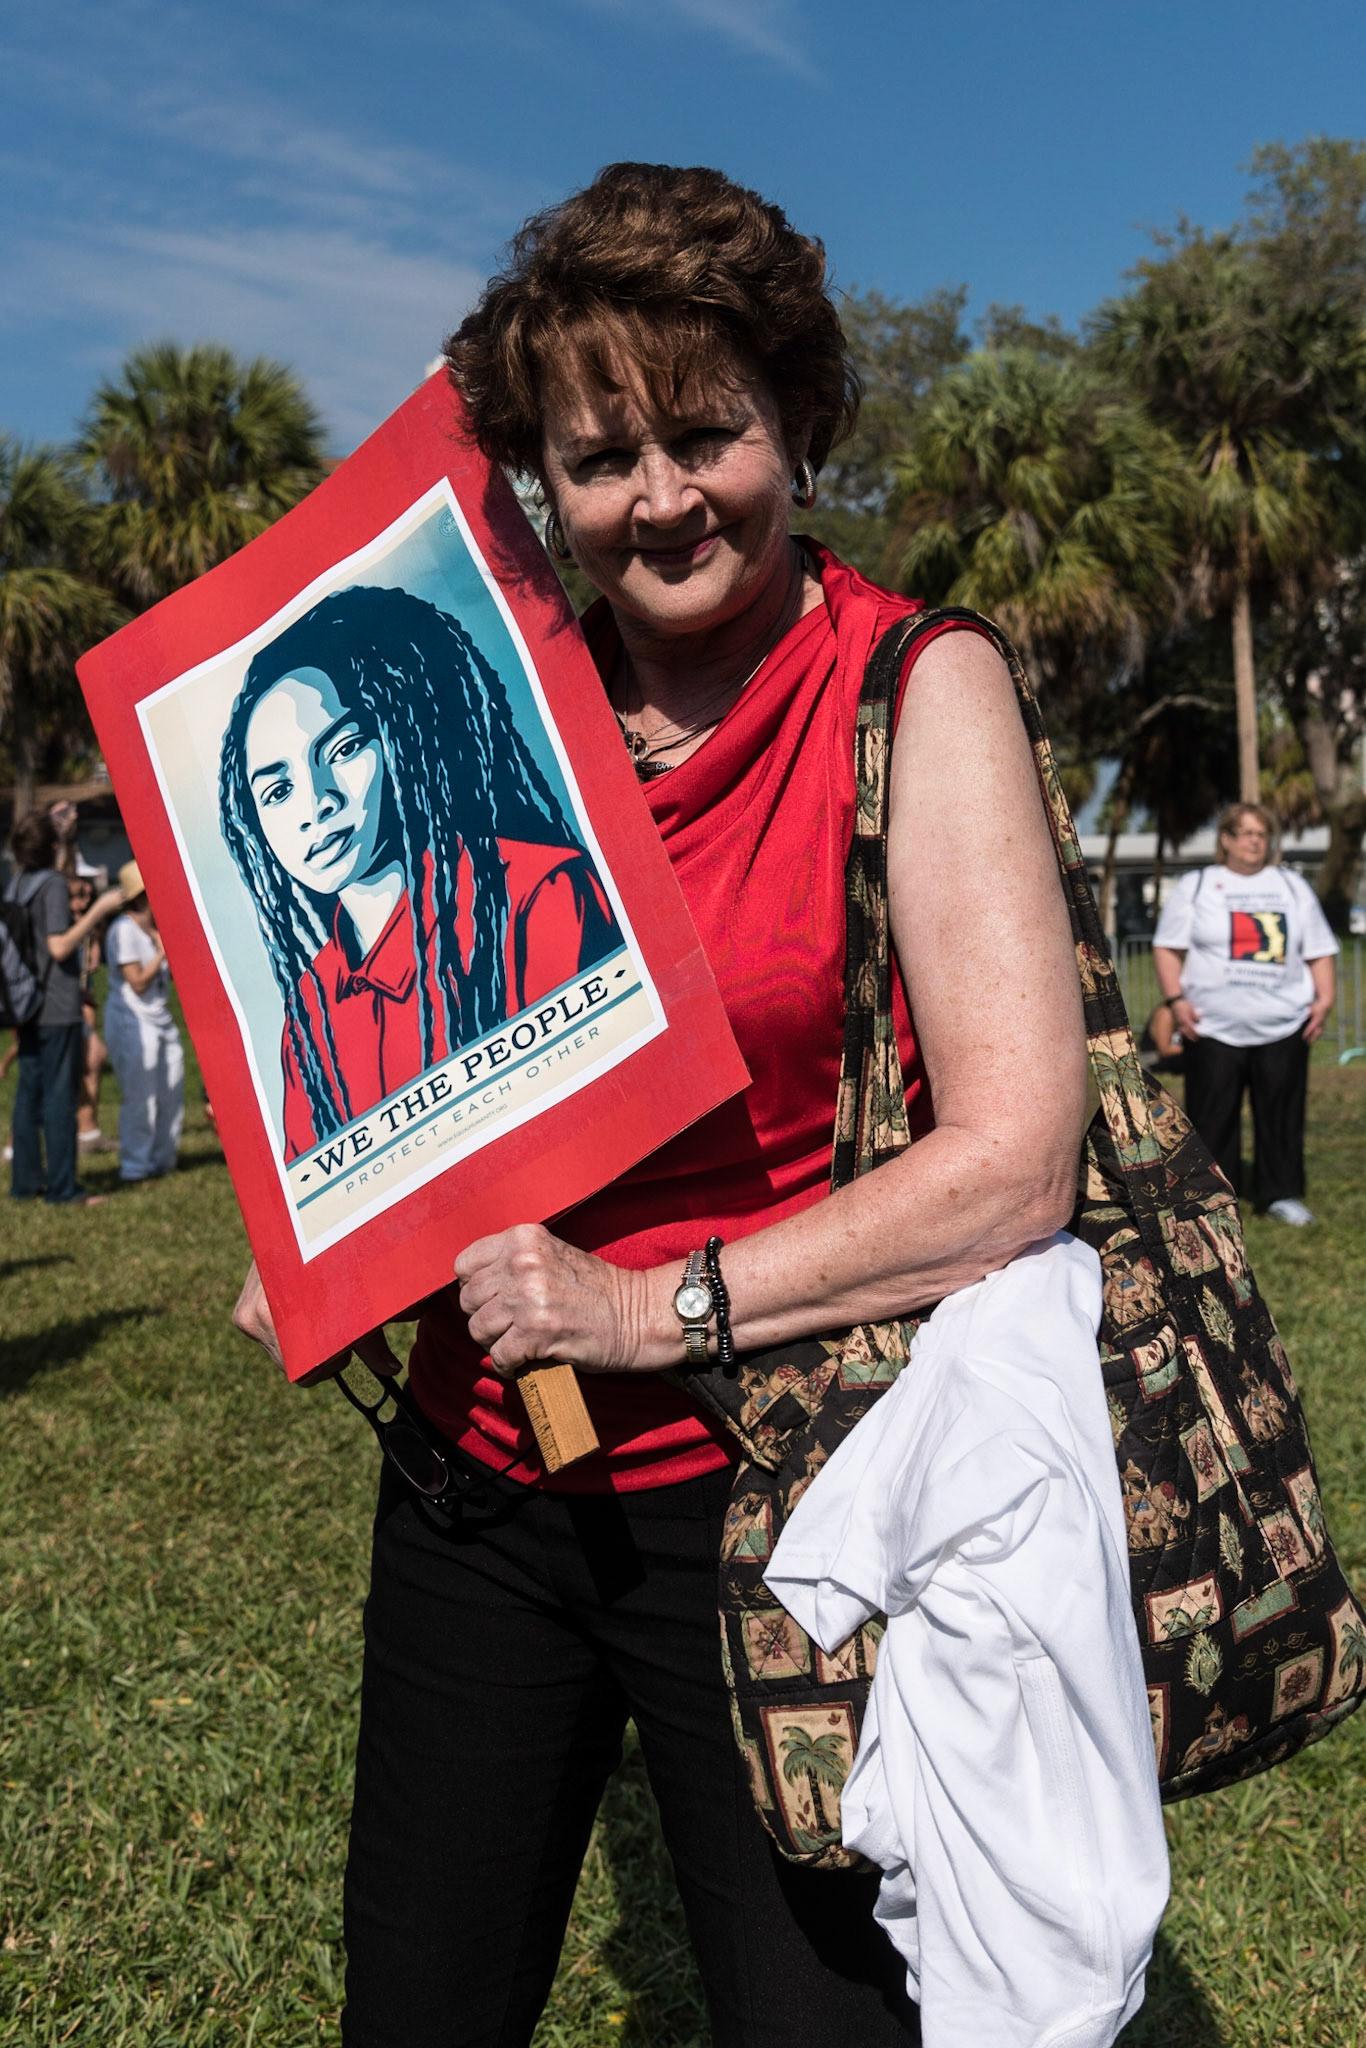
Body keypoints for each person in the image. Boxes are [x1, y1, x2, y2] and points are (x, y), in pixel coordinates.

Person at [233, 163, 1088, 2047]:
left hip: (784, 1494)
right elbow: (386, 1011)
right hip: (477, 1483)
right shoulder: (487, 709)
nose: (662, 497)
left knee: (821, 2023)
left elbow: (1019, 1159)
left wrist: (645, 1306)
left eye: (707, 432)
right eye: (602, 454)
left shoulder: (910, 687)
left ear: (797, 420)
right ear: (542, 479)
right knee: (419, 2004)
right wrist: (330, 1223)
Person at [218, 586, 619, 1162]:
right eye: (278, 791)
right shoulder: (308, 1018)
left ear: (405, 738)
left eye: (343, 748)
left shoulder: (540, 893)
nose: (316, 803)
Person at [1153, 803, 1338, 1226]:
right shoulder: (1198, 885)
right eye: (1245, 833)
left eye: (1261, 833)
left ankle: (1281, 1194)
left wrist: (1323, 1000)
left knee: (1281, 1114)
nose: (1254, 840)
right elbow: (1167, 946)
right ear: (1227, 839)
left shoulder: (1291, 886)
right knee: (1212, 1116)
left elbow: (1320, 949)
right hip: (1212, 1028)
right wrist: (1176, 1000)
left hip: (1283, 1025)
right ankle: (1213, 1198)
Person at [5, 810, 123, 1205]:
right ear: (51, 846)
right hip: (56, 1003)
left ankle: (24, 1184)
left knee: (29, 1094)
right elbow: (58, 946)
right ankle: (63, 1188)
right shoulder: (53, 885)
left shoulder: (18, 885)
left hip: (27, 1004)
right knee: (58, 1096)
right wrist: (98, 911)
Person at [103, 860, 185, 1183]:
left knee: (172, 1090)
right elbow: (136, 981)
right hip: (131, 1021)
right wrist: (162, 953)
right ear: (141, 895)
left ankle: (163, 1160)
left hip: (160, 1018)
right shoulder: (123, 930)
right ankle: (135, 1167)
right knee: (142, 1097)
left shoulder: (154, 930)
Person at [64, 871, 115, 1153]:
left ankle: (88, 1129)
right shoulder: (63, 922)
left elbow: (90, 959)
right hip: (61, 1001)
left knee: (93, 1057)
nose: (84, 902)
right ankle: (14, 1146)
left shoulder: (83, 925)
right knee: (48, 1075)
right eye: (78, 896)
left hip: (81, 993)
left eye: (87, 896)